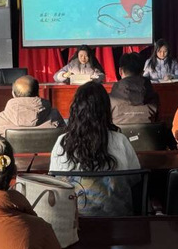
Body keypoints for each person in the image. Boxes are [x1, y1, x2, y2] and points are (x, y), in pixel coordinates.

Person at [50, 82, 141, 216]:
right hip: (116, 219)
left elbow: (55, 181)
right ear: (106, 110)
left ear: (75, 109)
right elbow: (135, 179)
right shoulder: (120, 140)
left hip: (73, 219)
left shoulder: (62, 142)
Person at [0, 75, 65, 135]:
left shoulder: (2, 118)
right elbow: (64, 138)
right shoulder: (54, 115)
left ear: (13, 94)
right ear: (38, 92)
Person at [110, 52, 159, 125]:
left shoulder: (110, 98)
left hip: (119, 132)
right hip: (147, 132)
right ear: (142, 72)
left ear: (120, 71)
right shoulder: (154, 97)